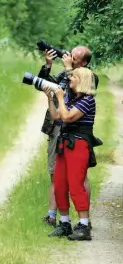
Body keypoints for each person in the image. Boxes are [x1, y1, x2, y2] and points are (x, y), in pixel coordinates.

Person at [37, 45, 98, 227]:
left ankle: (83, 220)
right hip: (60, 132)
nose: (69, 58)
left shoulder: (88, 78)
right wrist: (48, 65)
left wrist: (69, 70)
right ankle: (58, 218)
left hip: (77, 137)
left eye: (74, 57)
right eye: (69, 55)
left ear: (84, 62)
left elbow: (69, 105)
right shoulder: (68, 79)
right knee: (57, 177)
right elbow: (45, 84)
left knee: (78, 179)